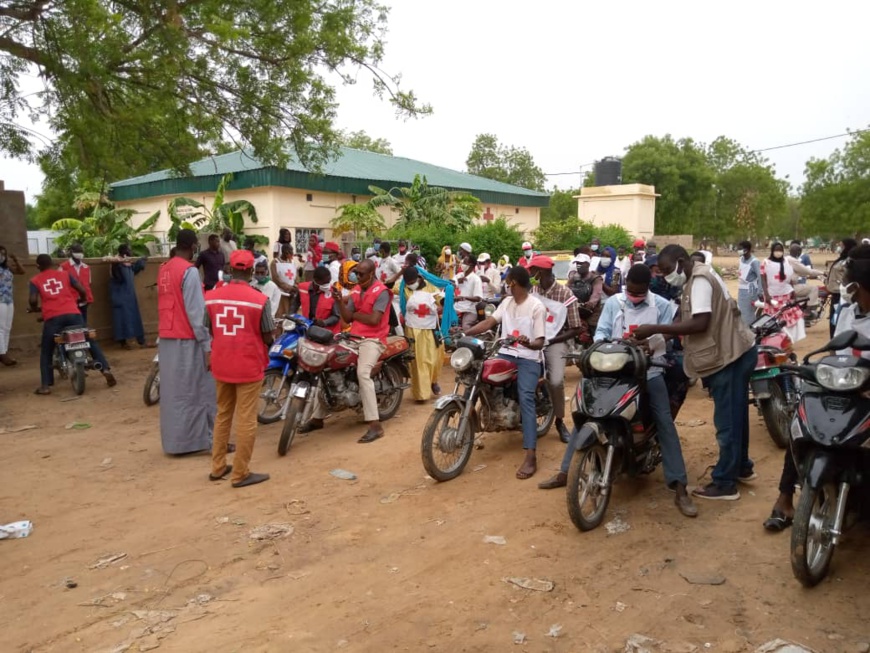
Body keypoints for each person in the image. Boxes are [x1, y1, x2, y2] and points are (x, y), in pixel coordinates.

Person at [539, 264, 698, 518]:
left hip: (649, 372)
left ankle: (679, 487)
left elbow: (666, 337)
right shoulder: (614, 303)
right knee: (585, 415)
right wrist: (600, 345)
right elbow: (601, 331)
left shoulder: (663, 306)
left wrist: (650, 344)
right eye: (631, 291)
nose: (634, 296)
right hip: (611, 369)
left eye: (639, 292)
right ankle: (565, 471)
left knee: (664, 422)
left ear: (647, 288)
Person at [633, 245, 756, 501]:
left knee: (727, 422)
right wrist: (658, 336)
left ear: (680, 261)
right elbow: (688, 322)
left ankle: (725, 483)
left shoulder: (699, 281)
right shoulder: (699, 276)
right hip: (737, 351)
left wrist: (653, 328)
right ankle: (741, 467)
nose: (665, 276)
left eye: (667, 270)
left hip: (728, 357)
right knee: (737, 415)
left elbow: (700, 323)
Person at [764, 244, 870, 531]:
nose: (843, 287)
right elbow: (838, 350)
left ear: (859, 285)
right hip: (843, 386)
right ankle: (785, 498)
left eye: (848, 282)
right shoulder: (848, 311)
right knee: (803, 426)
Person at [461, 266, 546, 480]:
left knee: (526, 397)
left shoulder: (537, 306)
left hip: (529, 358)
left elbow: (540, 341)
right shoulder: (507, 303)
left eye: (508, 281)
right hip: (506, 353)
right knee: (476, 375)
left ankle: (530, 455)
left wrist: (529, 343)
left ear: (514, 283)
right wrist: (465, 332)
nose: (506, 285)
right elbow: (490, 322)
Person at [299, 259, 391, 443]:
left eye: (361, 274)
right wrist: (339, 301)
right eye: (356, 273)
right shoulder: (357, 290)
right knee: (327, 365)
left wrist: (355, 315)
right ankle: (317, 418)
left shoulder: (382, 292)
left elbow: (374, 320)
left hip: (373, 340)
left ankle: (375, 425)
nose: (357, 276)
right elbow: (347, 319)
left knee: (363, 373)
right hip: (353, 337)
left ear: (371, 274)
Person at [205, 249, 274, 488]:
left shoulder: (212, 297)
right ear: (252, 271)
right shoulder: (259, 299)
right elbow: (267, 335)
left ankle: (218, 467)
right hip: (248, 363)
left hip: (221, 362)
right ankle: (241, 473)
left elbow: (210, 328)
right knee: (246, 419)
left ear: (230, 269)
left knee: (223, 414)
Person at [157, 229, 217, 455]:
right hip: (188, 340)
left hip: (167, 339)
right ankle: (208, 441)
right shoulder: (189, 272)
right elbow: (196, 312)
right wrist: (207, 345)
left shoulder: (163, 269)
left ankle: (177, 442)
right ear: (193, 246)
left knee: (175, 394)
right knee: (200, 392)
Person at [29, 254, 116, 394]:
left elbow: (33, 300)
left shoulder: (35, 280)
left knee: (46, 350)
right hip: (73, 314)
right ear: (52, 263)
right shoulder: (65, 275)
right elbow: (82, 290)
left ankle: (45, 385)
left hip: (53, 317)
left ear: (37, 266)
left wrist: (34, 309)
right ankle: (105, 369)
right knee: (88, 340)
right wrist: (80, 300)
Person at [528, 255, 585, 444]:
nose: (530, 274)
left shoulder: (566, 294)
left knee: (555, 381)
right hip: (532, 339)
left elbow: (576, 328)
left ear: (542, 272)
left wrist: (551, 340)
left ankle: (559, 421)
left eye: (533, 270)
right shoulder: (533, 290)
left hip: (556, 341)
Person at [400, 266, 444, 401]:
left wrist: (442, 304)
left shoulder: (430, 286)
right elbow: (388, 286)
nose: (410, 284)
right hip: (413, 330)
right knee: (418, 361)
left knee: (434, 358)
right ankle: (421, 393)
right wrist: (398, 274)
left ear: (419, 278)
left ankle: (433, 380)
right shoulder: (404, 289)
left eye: (412, 281)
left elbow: (441, 299)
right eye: (408, 282)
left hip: (430, 329)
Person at [760, 242, 805, 344]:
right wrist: (766, 294)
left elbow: (790, 279)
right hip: (772, 296)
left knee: (788, 319)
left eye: (780, 250)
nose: (778, 252)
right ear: (772, 250)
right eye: (776, 250)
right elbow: (763, 279)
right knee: (773, 319)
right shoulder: (765, 262)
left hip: (786, 294)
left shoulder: (787, 262)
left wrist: (793, 290)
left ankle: (787, 339)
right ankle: (774, 340)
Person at [109, 244, 148, 349]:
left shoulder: (128, 262)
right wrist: (117, 264)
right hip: (120, 295)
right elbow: (118, 276)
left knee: (134, 317)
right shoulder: (116, 263)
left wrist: (141, 261)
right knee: (122, 319)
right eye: (129, 250)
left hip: (130, 294)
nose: (131, 252)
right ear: (124, 252)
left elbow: (134, 270)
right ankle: (124, 342)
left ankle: (140, 340)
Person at [826, 238, 857, 336]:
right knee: (834, 322)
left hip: (842, 296)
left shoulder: (850, 261)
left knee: (840, 321)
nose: (839, 248)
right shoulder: (841, 259)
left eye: (842, 246)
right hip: (835, 294)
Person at [785, 242, 824, 318]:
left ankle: (802, 307)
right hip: (792, 287)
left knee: (805, 288)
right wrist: (822, 273)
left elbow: (801, 272)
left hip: (786, 286)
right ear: (799, 252)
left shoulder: (785, 259)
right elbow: (808, 271)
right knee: (814, 288)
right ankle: (808, 312)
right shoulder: (793, 260)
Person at [0, 244, 24, 365]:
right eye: (0, 254)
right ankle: (2, 354)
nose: (2, 256)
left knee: (7, 327)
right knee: (1, 327)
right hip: (0, 300)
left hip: (9, 300)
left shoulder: (6, 268)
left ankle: (4, 351)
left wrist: (15, 259)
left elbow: (21, 271)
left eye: (4, 254)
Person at [297, 266, 341, 332]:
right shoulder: (303, 288)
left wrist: (324, 322)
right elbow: (294, 304)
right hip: (307, 327)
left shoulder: (333, 292)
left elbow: (336, 316)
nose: (328, 285)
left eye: (328, 282)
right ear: (315, 280)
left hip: (327, 332)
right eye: (325, 283)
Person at [568, 253, 604, 331]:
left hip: (591, 313)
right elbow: (566, 290)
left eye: (581, 263)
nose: (578, 265)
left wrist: (590, 303)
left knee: (592, 331)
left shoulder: (596, 278)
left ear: (588, 264)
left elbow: (596, 294)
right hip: (575, 310)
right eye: (577, 263)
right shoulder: (574, 277)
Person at [59, 243, 93, 322]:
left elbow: (89, 284)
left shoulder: (86, 267)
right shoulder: (63, 267)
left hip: (84, 302)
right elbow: (61, 286)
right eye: (78, 251)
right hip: (70, 302)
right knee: (73, 326)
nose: (80, 254)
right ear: (71, 252)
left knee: (83, 323)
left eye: (81, 251)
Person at [736, 240, 762, 325]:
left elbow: (760, 276)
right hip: (741, 291)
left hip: (750, 292)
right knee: (741, 312)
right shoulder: (741, 259)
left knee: (748, 314)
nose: (738, 250)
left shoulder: (754, 262)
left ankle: (751, 332)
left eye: (740, 249)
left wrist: (760, 291)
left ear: (746, 250)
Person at [454, 259, 483, 331]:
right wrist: (457, 282)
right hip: (455, 307)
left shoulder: (476, 279)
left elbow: (478, 298)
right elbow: (448, 285)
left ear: (471, 266)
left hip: (469, 309)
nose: (462, 264)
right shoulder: (458, 276)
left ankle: (467, 340)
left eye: (464, 263)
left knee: (465, 326)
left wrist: (464, 297)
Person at [270, 243, 298, 316]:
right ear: (285, 252)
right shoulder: (275, 262)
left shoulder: (292, 262)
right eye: (290, 251)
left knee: (291, 314)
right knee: (281, 314)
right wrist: (289, 288)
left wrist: (295, 287)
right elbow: (276, 279)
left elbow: (296, 276)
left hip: (292, 293)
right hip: (281, 293)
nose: (292, 253)